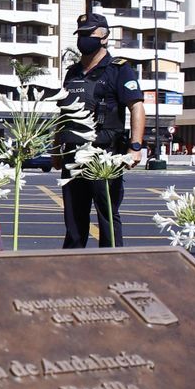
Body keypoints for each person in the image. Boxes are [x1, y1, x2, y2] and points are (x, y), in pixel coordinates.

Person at [57, 13, 146, 248]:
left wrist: (135, 147)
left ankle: (111, 266)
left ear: (104, 37)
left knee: (107, 216)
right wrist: (56, 149)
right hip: (73, 155)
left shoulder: (119, 69)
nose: (84, 39)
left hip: (105, 155)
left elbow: (136, 107)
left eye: (90, 34)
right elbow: (64, 113)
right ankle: (73, 272)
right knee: (74, 222)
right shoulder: (73, 73)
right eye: (81, 34)